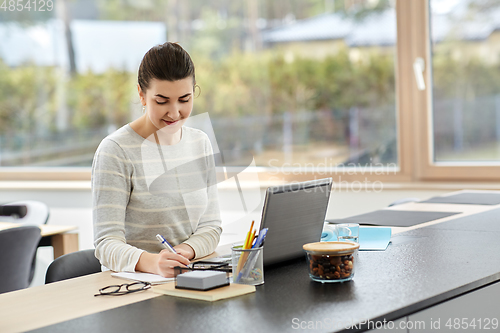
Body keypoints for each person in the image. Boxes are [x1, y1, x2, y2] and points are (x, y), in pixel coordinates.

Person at [92, 42, 222, 277]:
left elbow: (211, 227)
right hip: (134, 286)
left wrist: (183, 252)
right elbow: (106, 243)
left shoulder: (199, 143)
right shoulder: (115, 150)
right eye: (161, 101)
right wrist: (153, 263)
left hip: (186, 276)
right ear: (142, 95)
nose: (174, 113)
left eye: (184, 99)